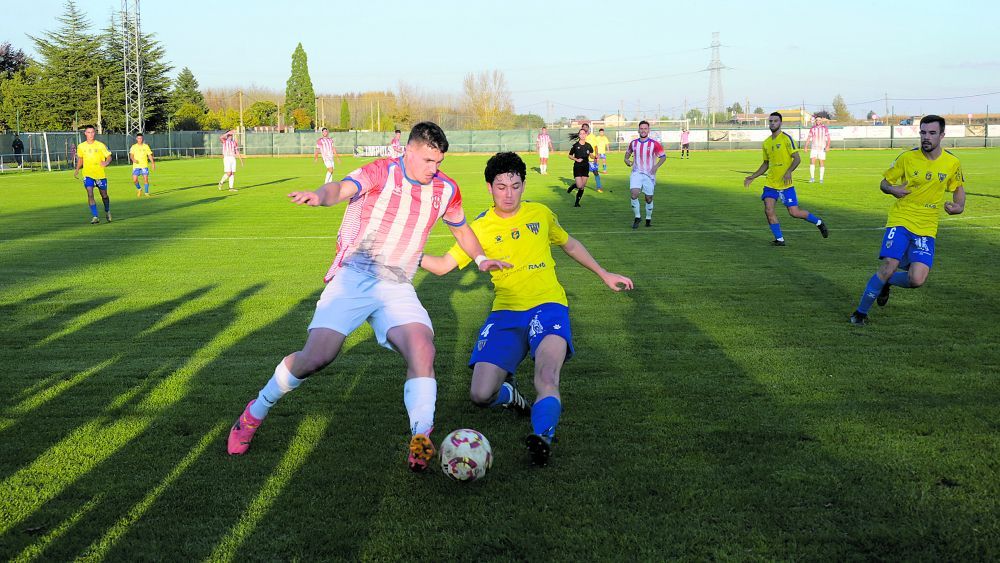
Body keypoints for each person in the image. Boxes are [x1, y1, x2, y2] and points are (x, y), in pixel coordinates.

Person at [226, 122, 510, 472]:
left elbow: (461, 228)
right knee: (317, 357)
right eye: (427, 160)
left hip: (398, 285)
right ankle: (255, 412)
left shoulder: (445, 188)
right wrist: (319, 195)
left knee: (422, 348)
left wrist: (481, 259)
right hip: (355, 278)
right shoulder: (381, 171)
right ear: (407, 150)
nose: (433, 168)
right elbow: (341, 188)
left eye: (438, 161)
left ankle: (420, 438)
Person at [420, 152, 633, 466]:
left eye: (516, 186)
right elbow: (441, 266)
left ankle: (542, 436)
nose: (509, 194)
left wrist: (604, 273)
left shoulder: (540, 214)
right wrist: (404, 253)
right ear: (490, 187)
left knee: (547, 376)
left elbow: (569, 243)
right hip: (505, 314)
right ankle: (511, 395)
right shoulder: (478, 228)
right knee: (480, 395)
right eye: (502, 186)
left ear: (523, 185)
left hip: (548, 307)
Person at [849, 115, 965, 326]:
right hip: (901, 218)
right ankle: (860, 313)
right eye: (923, 133)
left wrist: (959, 206)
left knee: (916, 279)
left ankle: (886, 283)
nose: (926, 137)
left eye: (931, 133)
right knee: (889, 264)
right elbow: (884, 183)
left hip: (927, 226)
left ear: (942, 135)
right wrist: (893, 190)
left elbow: (958, 188)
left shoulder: (952, 162)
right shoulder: (907, 158)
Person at [743, 112, 829, 245]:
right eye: (770, 121)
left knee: (794, 213)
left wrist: (789, 171)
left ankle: (818, 222)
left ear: (780, 123)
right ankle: (779, 239)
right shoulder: (766, 143)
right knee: (768, 209)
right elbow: (765, 164)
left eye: (775, 121)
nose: (772, 123)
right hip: (771, 183)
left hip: (785, 184)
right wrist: (753, 177)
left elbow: (797, 158)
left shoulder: (786, 139)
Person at [624, 121, 665, 229]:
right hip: (636, 173)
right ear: (638, 130)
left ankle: (648, 218)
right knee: (634, 194)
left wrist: (656, 166)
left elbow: (663, 157)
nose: (643, 130)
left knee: (649, 199)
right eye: (641, 128)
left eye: (645, 128)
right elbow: (628, 152)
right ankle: (637, 217)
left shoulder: (654, 144)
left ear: (648, 130)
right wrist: (626, 159)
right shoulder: (633, 143)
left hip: (649, 175)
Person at [73, 126, 113, 224]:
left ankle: (107, 210)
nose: (90, 134)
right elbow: (81, 159)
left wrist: (106, 163)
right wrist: (77, 169)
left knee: (104, 195)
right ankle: (95, 216)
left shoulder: (100, 145)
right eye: (88, 132)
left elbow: (109, 157)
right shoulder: (81, 146)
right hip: (87, 174)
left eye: (92, 132)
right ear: (85, 134)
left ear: (94, 133)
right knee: (90, 193)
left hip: (100, 174)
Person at [566, 127, 594, 207]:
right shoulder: (575, 145)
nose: (582, 135)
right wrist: (576, 159)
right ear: (579, 135)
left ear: (586, 135)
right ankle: (573, 186)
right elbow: (570, 155)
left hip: (585, 166)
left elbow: (591, 156)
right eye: (581, 134)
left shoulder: (588, 145)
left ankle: (577, 202)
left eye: (584, 134)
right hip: (577, 167)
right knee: (579, 186)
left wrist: (595, 157)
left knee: (582, 187)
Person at [805, 117, 831, 183]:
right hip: (814, 148)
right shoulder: (812, 128)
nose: (818, 121)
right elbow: (809, 138)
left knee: (821, 162)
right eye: (817, 120)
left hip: (822, 148)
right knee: (812, 162)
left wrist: (827, 146)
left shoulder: (825, 128)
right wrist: (806, 147)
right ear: (815, 121)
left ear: (821, 121)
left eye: (819, 120)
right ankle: (812, 178)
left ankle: (821, 179)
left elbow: (828, 138)